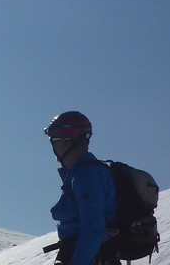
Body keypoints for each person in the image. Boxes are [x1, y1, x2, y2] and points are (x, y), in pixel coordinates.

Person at [44, 111, 118, 265]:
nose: (54, 147)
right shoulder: (83, 173)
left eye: (55, 141)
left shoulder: (86, 175)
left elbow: (93, 230)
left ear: (66, 142)